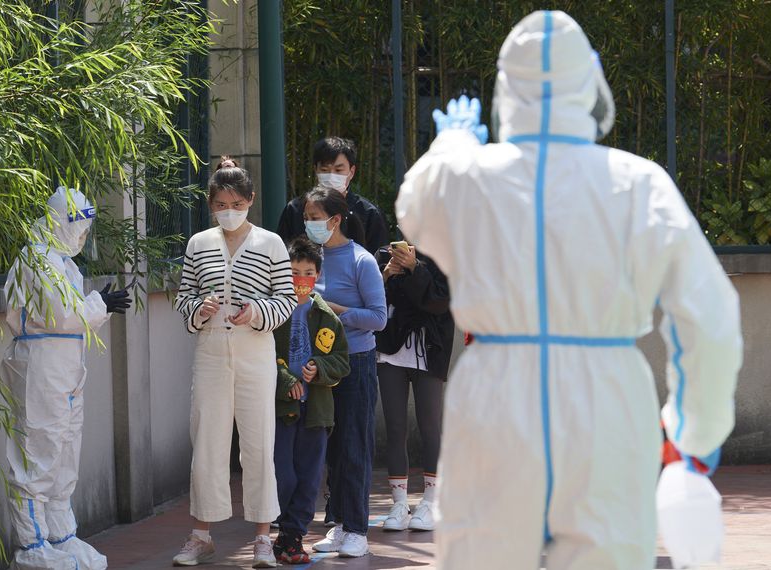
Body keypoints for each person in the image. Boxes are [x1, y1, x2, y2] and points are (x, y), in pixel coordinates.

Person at [396, 11, 742, 570]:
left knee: (480, 555)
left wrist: (453, 146)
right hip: (606, 395)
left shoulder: (465, 179)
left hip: (494, 391)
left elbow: (415, 205)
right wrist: (694, 433)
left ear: (507, 87)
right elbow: (711, 319)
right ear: (590, 83)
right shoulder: (639, 183)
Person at [172, 157, 297, 568]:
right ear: (210, 204)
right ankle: (200, 534)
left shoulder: (271, 243)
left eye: (236, 202)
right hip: (210, 351)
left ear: (250, 200)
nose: (229, 210)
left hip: (254, 350)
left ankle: (263, 536)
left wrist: (256, 312)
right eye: (221, 203)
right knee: (207, 441)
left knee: (259, 443)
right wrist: (199, 308)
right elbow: (182, 296)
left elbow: (286, 299)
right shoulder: (198, 243)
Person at [1, 186, 131, 570]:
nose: (83, 235)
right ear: (62, 221)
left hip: (66, 364)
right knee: (38, 455)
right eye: (81, 226)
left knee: (64, 455)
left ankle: (61, 536)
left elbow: (73, 315)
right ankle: (31, 546)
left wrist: (99, 307)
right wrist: (99, 305)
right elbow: (59, 312)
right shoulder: (36, 259)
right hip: (41, 363)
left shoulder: (62, 261)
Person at [300, 187, 387, 558]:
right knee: (330, 448)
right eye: (307, 216)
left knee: (354, 445)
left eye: (315, 217)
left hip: (356, 362)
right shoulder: (310, 259)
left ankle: (356, 529)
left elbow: (379, 317)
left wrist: (338, 312)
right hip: (320, 365)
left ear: (335, 220)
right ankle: (336, 523)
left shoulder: (361, 260)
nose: (309, 223)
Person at [272, 236, 350, 564]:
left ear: (317, 275)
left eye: (307, 272)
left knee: (309, 475)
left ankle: (292, 536)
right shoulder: (273, 313)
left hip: (317, 410)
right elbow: (261, 358)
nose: (300, 279)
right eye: (292, 272)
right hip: (281, 409)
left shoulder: (327, 316)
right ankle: (281, 527)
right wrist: (286, 379)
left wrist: (319, 367)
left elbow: (341, 361)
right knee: (283, 474)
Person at [375, 242, 453, 532]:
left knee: (430, 425)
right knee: (396, 426)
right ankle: (398, 503)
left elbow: (439, 302)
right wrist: (383, 276)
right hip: (391, 348)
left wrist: (414, 268)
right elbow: (372, 299)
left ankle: (431, 501)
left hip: (429, 349)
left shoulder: (445, 255)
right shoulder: (384, 254)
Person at [276, 136, 389, 254]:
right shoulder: (295, 209)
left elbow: (379, 262)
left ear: (352, 172)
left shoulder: (369, 214)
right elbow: (282, 255)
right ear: (316, 170)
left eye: (339, 170)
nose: (331, 175)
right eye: (325, 170)